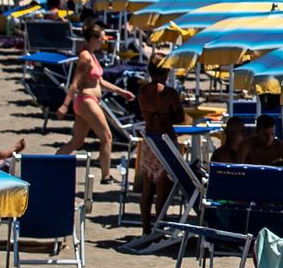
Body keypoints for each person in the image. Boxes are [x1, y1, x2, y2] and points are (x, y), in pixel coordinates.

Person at [57, 21, 135, 182]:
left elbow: (100, 82)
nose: (104, 40)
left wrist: (122, 92)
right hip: (87, 101)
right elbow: (75, 83)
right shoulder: (85, 57)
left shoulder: (92, 55)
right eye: (102, 37)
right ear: (93, 38)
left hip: (87, 101)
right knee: (107, 137)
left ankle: (51, 164)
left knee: (77, 142)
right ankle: (106, 176)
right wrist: (65, 105)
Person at [136, 59, 186, 234]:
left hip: (150, 140)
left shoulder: (142, 91)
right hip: (165, 141)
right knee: (163, 186)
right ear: (166, 72)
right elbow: (180, 118)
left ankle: (146, 227)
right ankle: (159, 225)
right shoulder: (169, 93)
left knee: (148, 187)